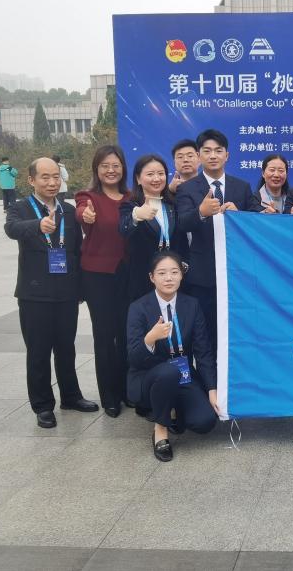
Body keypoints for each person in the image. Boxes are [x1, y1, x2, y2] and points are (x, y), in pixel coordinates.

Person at [4, 157, 97, 428]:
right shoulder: (20, 208)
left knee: (66, 348)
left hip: (66, 292)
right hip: (35, 294)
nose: (52, 182)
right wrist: (37, 225)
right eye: (45, 177)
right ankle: (43, 405)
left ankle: (71, 396)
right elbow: (11, 229)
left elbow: (76, 251)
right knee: (38, 352)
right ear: (31, 180)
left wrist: (80, 288)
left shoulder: (68, 210)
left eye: (56, 176)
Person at [127, 251, 218, 462]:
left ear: (181, 275)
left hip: (183, 375)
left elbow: (203, 351)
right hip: (149, 377)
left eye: (174, 272)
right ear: (152, 277)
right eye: (162, 273)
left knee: (205, 421)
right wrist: (150, 339)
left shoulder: (191, 305)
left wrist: (211, 390)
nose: (169, 278)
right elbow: (133, 358)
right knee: (168, 372)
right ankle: (161, 428)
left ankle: (174, 409)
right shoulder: (138, 308)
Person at [176, 129, 262, 342]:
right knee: (206, 334)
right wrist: (201, 212)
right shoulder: (187, 188)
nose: (213, 155)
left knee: (237, 331)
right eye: (207, 151)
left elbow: (256, 220)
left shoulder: (241, 187)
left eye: (218, 150)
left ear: (227, 155)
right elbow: (182, 223)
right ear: (199, 156)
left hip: (237, 272)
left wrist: (240, 215)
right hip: (203, 274)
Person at [75, 145, 131, 417]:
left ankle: (127, 390)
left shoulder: (132, 198)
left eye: (115, 165)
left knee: (126, 333)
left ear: (123, 169)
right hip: (98, 276)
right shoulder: (88, 197)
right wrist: (85, 215)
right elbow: (81, 212)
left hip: (127, 274)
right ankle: (110, 396)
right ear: (96, 170)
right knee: (105, 335)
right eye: (105, 166)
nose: (111, 170)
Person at [120, 154, 187, 302]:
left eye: (161, 174)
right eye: (150, 174)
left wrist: (183, 265)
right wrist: (136, 215)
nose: (156, 178)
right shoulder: (130, 206)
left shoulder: (173, 205)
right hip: (142, 279)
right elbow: (124, 231)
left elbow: (181, 240)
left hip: (171, 278)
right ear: (138, 179)